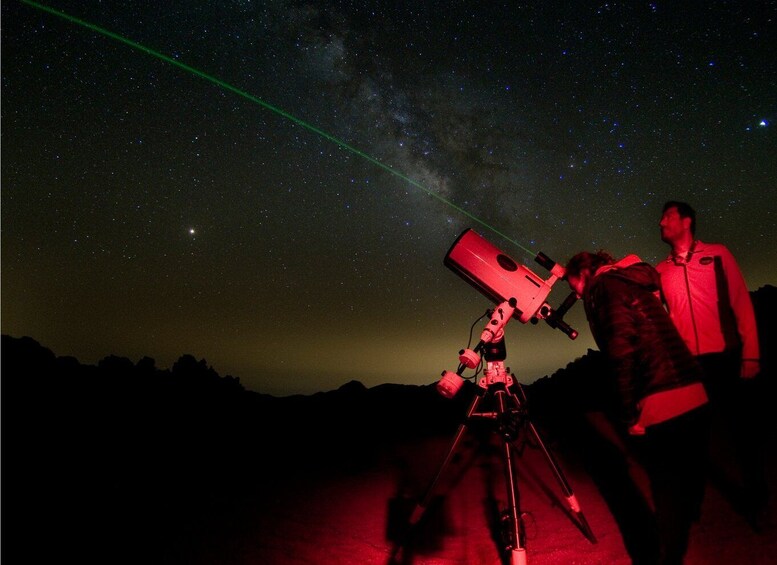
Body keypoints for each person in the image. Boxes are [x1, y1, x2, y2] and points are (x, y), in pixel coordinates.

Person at [566, 250, 709, 565]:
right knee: (687, 473)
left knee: (666, 490)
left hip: (661, 392)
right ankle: (688, 524)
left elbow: (621, 349)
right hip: (692, 386)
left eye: (575, 286)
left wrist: (630, 411)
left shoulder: (603, 288)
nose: (577, 295)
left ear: (584, 273)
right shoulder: (628, 280)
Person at [656, 201, 768, 530]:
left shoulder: (718, 254)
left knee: (743, 435)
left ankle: (756, 503)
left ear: (686, 221)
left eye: (668, 216)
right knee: (691, 441)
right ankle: (692, 508)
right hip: (688, 367)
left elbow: (741, 302)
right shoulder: (660, 271)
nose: (661, 222)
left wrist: (752, 354)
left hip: (727, 357)